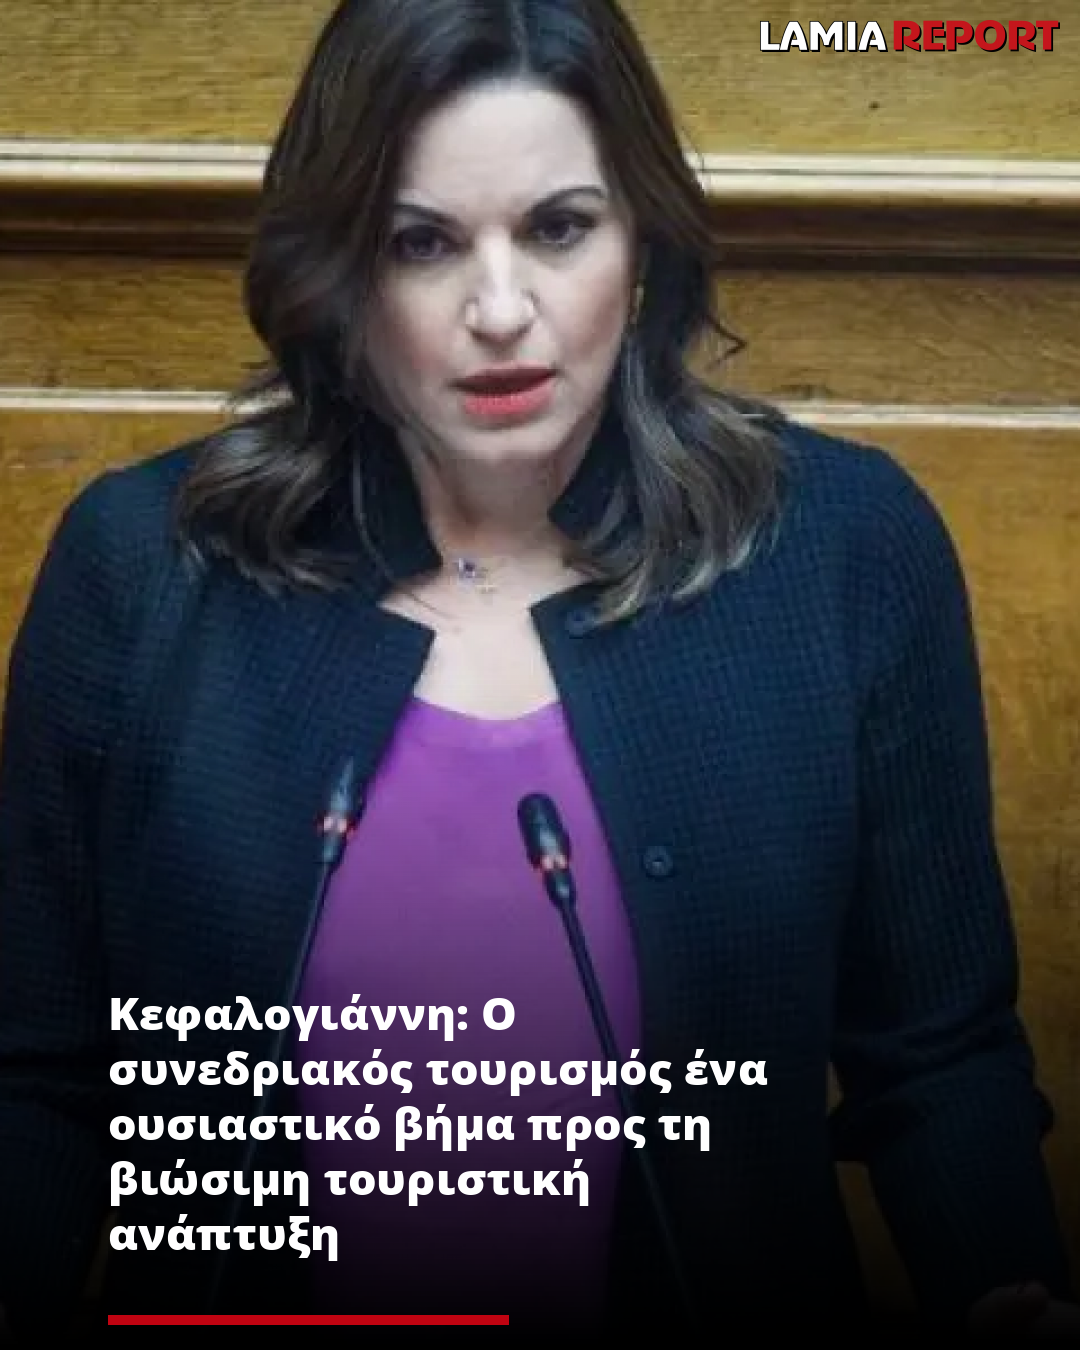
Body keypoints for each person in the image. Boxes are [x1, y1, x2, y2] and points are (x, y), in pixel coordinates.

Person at [0, 0, 1076, 1337]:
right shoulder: (145, 566)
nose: (501, 310)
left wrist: (1007, 1282)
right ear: (338, 274)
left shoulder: (844, 551)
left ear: (643, 244)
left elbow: (937, 1055)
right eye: (422, 242)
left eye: (559, 228)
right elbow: (39, 1075)